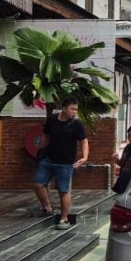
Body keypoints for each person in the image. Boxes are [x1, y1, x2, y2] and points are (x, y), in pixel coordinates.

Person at [33, 97, 89, 230]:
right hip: (48, 159)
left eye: (76, 109)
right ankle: (47, 208)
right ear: (64, 108)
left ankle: (64, 218)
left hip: (65, 163)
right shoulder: (52, 119)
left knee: (63, 191)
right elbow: (46, 136)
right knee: (37, 183)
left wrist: (85, 157)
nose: (75, 112)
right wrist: (40, 152)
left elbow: (84, 141)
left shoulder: (77, 124)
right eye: (72, 109)